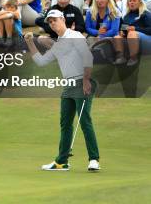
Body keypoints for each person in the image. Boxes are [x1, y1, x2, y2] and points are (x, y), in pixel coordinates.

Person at [24, 10, 100, 172]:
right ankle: (61, 161)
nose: (52, 23)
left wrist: (86, 80)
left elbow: (88, 57)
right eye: (50, 22)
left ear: (63, 19)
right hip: (68, 85)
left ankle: (94, 159)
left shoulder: (75, 35)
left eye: (55, 20)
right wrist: (30, 43)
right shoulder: (58, 45)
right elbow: (41, 62)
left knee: (84, 120)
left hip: (82, 82)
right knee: (65, 123)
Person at [113, 0, 151, 66]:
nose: (132, 3)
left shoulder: (146, 14)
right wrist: (122, 32)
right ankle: (121, 58)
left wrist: (135, 28)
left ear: (140, 2)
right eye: (130, 1)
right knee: (117, 37)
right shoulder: (126, 16)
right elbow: (124, 29)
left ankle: (133, 58)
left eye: (134, 1)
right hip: (133, 38)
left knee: (132, 33)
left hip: (148, 39)